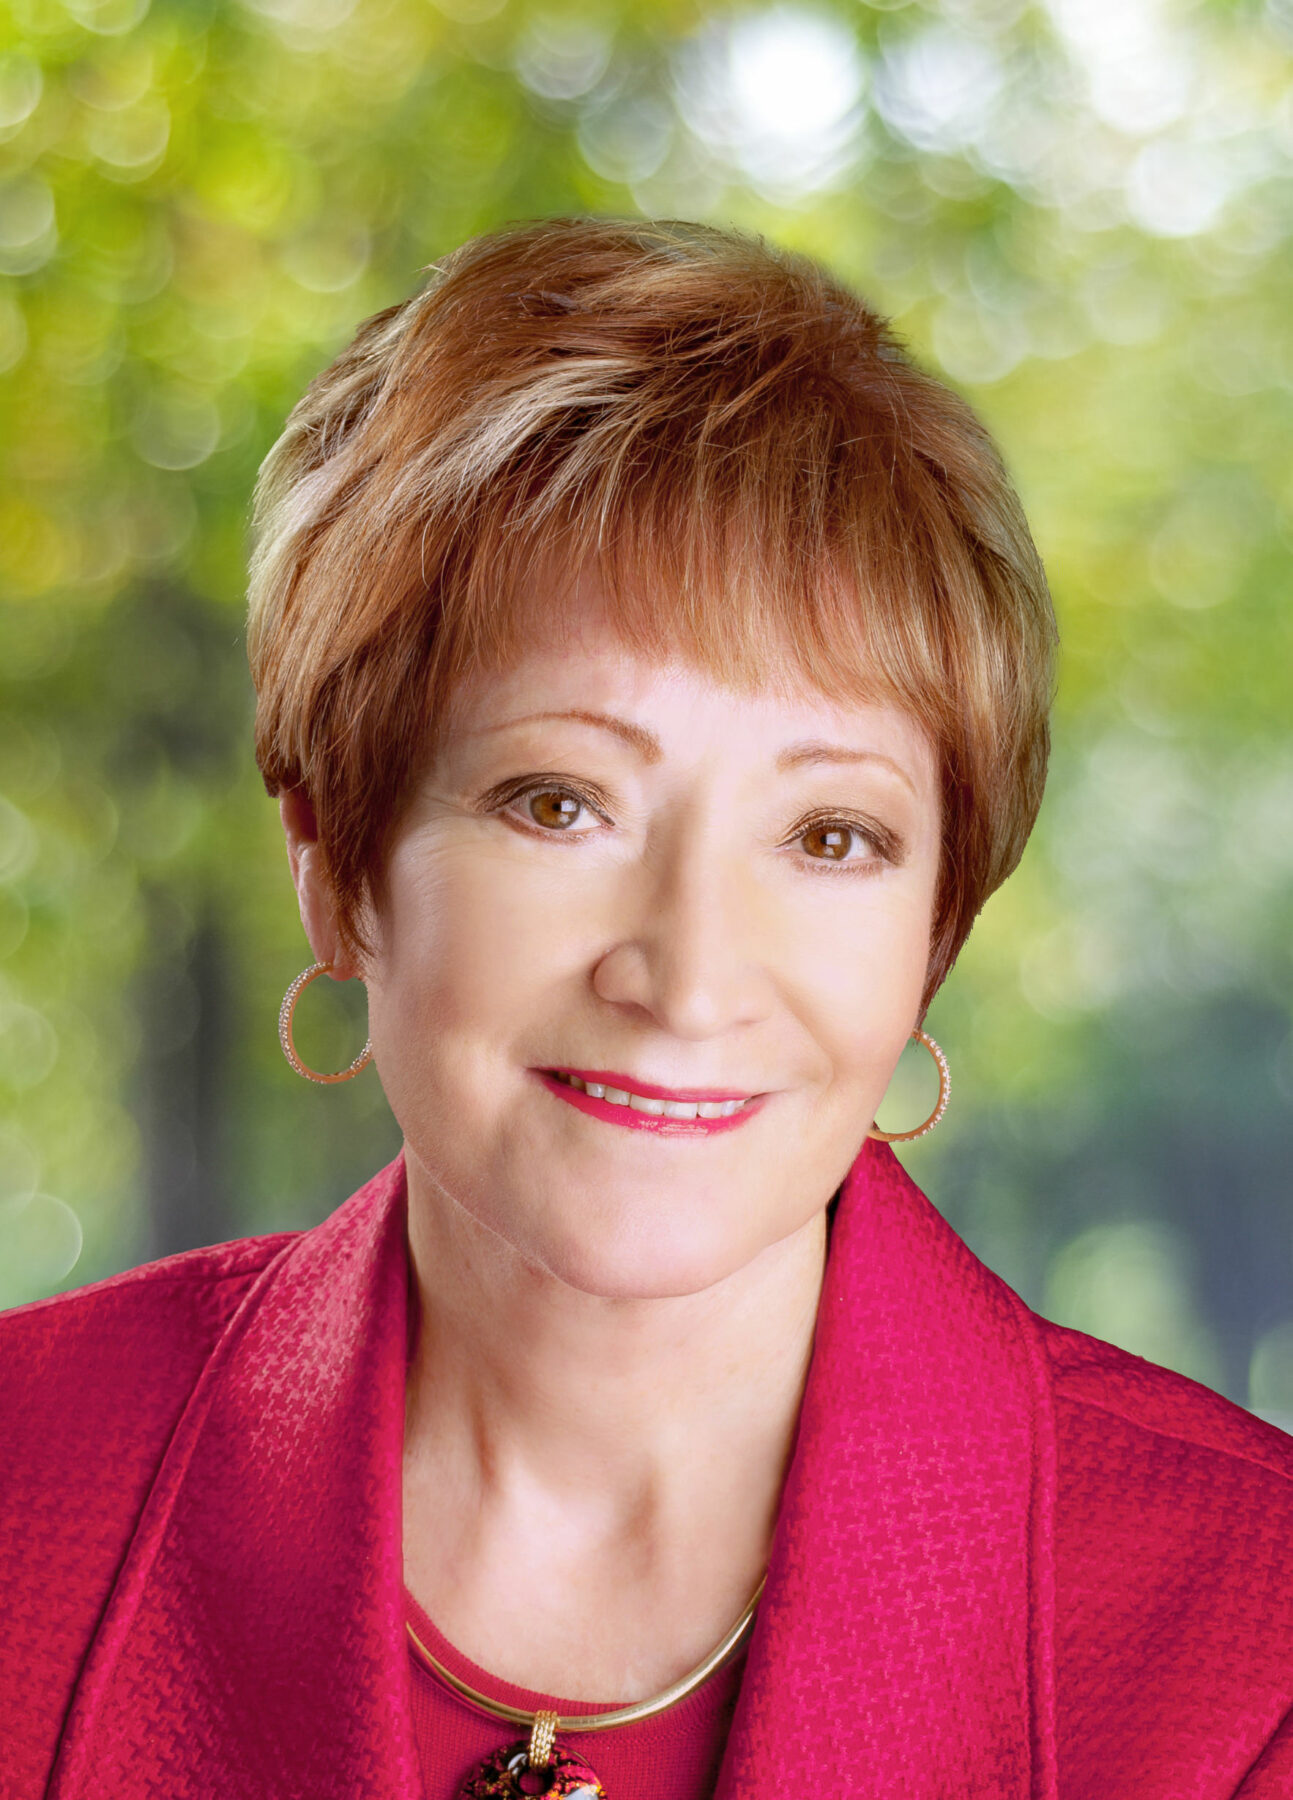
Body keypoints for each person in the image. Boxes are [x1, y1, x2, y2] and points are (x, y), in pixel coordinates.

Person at [2, 217, 1290, 1800]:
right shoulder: (20, 1486)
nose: (685, 978)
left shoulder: (1254, 1640)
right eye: (560, 804)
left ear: (934, 932)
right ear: (335, 866)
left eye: (830, 837)